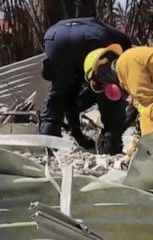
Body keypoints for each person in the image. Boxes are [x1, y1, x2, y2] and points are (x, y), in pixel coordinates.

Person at [40, 17, 132, 155]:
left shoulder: (110, 33)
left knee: (59, 91)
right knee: (107, 91)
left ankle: (49, 144)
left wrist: (78, 135)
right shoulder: (123, 43)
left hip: (55, 37)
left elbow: (73, 95)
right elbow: (118, 81)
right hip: (92, 38)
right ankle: (110, 144)